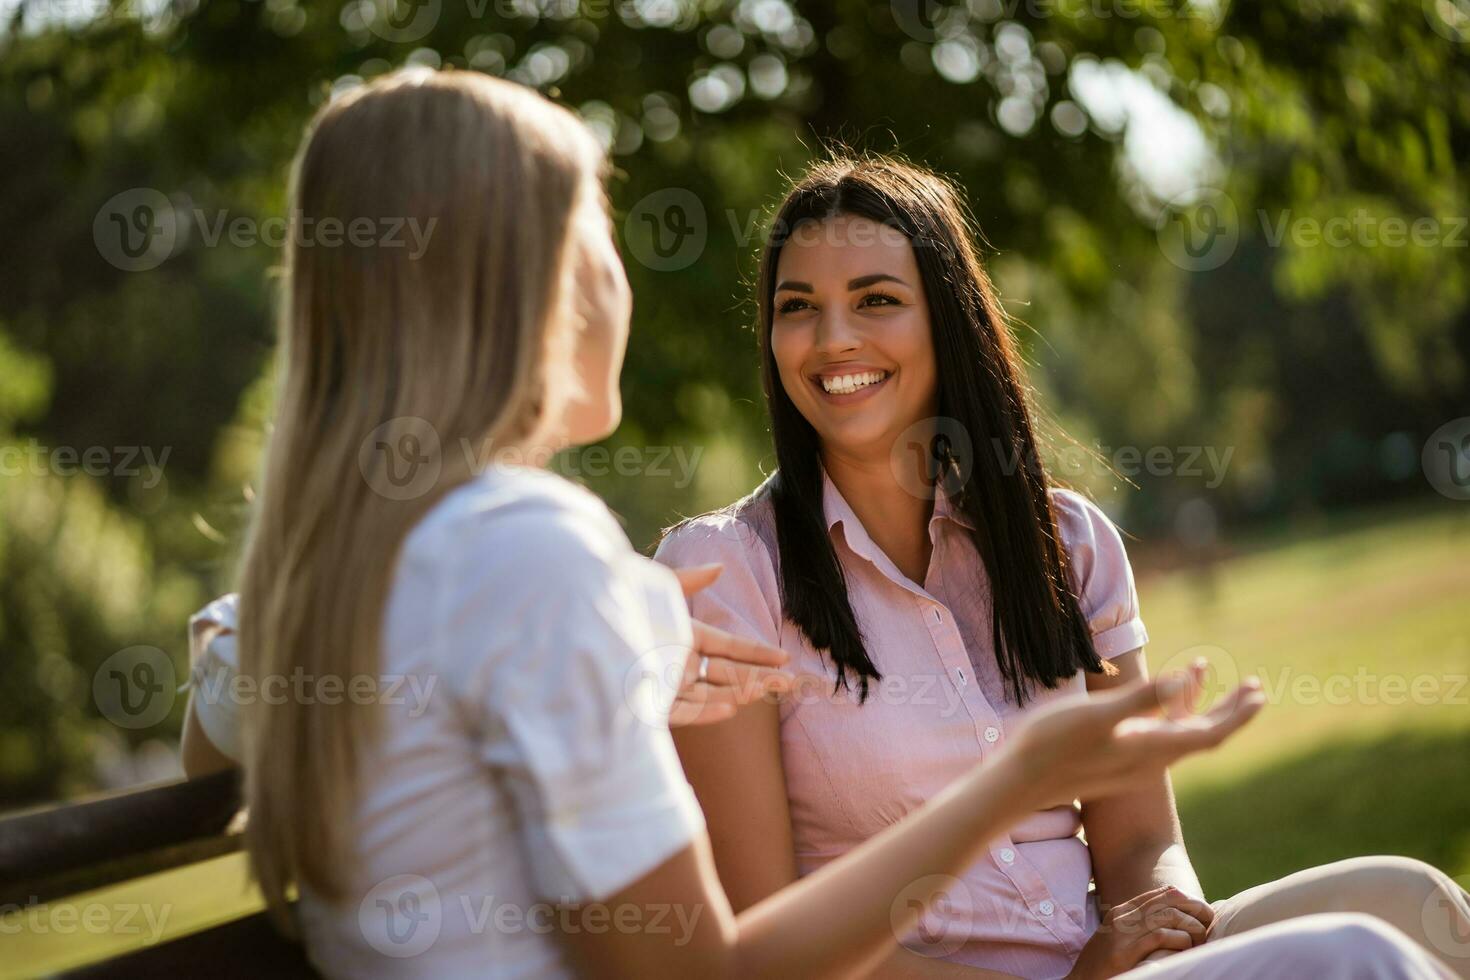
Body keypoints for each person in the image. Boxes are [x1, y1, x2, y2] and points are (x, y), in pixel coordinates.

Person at [179, 70, 1451, 980]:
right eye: (601, 232)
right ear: (535, 286)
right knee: (1363, 958)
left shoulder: (331, 574)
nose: (626, 271)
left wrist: (610, 658)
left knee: (1404, 908)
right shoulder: (534, 553)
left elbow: (221, 723)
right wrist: (1022, 771)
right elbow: (718, 968)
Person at [654, 154, 1470, 980]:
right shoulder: (724, 574)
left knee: (1414, 901)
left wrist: (1155, 933)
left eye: (877, 300)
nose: (834, 340)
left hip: (1106, 966)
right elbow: (761, 937)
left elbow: (1144, 840)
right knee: (1356, 956)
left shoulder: (1066, 540)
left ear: (949, 318)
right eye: (799, 308)